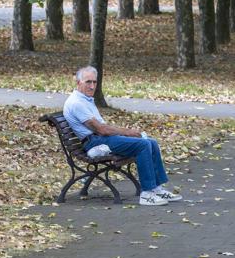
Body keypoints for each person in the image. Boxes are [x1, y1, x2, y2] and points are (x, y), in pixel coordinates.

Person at [63, 66, 182, 206]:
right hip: (95, 142)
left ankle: (157, 189)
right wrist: (129, 132)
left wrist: (127, 132)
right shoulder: (77, 103)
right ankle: (147, 193)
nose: (92, 86)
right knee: (143, 145)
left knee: (152, 142)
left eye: (94, 82)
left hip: (101, 139)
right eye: (88, 82)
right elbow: (101, 129)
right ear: (78, 83)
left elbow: (103, 128)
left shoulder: (85, 99)